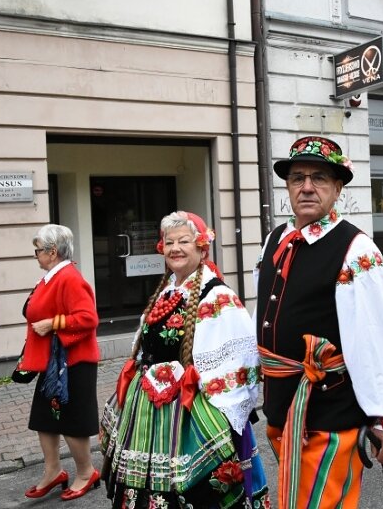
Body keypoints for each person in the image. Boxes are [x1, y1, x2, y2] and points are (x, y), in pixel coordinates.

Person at [254, 136, 383, 508]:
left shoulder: (356, 249)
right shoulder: (276, 240)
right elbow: (263, 318)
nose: (307, 187)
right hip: (283, 410)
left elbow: (377, 341)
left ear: (338, 188)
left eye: (319, 178)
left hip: (329, 413)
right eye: (298, 178)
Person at [101, 211, 270, 508]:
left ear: (202, 247)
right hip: (149, 407)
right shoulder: (168, 290)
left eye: (184, 241)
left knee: (194, 487)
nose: (175, 248)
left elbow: (240, 361)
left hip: (190, 409)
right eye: (169, 242)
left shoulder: (217, 296)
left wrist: (226, 416)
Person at [19, 224, 101, 501]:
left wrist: (53, 324)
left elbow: (88, 318)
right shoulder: (52, 277)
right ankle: (53, 471)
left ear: (52, 252)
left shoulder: (69, 278)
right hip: (54, 362)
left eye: (38, 250)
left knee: (73, 421)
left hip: (74, 362)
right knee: (45, 418)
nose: (36, 255)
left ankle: (86, 472)